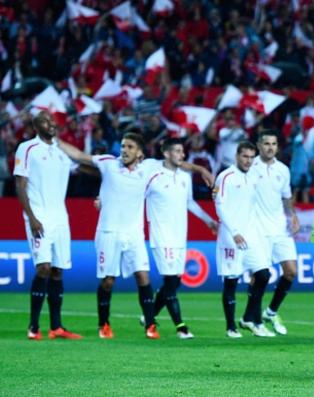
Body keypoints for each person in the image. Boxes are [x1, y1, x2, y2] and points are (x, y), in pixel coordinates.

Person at [57, 132, 213, 339]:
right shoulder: (108, 162)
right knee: (108, 281)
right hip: (108, 232)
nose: (124, 150)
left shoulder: (148, 168)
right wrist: (55, 140)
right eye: (123, 146)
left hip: (134, 233)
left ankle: (150, 325)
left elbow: (176, 162)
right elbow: (79, 156)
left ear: (139, 153)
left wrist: (200, 168)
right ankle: (103, 324)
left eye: (130, 147)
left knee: (143, 276)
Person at [14, 111, 82, 340]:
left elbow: (81, 168)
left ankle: (56, 327)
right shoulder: (28, 148)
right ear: (35, 126)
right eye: (45, 120)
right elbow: (20, 185)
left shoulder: (61, 151)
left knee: (57, 271)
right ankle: (34, 326)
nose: (51, 123)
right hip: (39, 216)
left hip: (61, 218)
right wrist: (31, 217)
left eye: (52, 120)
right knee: (42, 267)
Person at [145, 138, 218, 339]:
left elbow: (190, 202)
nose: (182, 155)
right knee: (170, 282)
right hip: (161, 236)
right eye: (177, 151)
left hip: (179, 237)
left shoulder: (185, 177)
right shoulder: (153, 174)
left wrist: (208, 220)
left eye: (182, 151)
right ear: (167, 153)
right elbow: (134, 196)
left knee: (175, 282)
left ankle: (149, 315)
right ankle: (181, 327)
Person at [214, 141, 275, 338]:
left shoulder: (254, 177)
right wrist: (234, 231)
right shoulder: (225, 177)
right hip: (231, 238)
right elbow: (220, 206)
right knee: (231, 282)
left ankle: (251, 318)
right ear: (237, 156)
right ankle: (231, 326)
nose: (248, 161)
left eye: (251, 157)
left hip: (251, 236)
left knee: (264, 275)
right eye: (245, 156)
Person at [249, 131, 300, 335]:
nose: (270, 147)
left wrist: (293, 215)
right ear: (258, 146)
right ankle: (252, 319)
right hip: (258, 229)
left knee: (291, 271)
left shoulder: (283, 170)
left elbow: (286, 198)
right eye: (266, 143)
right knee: (258, 276)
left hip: (280, 227)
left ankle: (270, 311)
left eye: (274, 143)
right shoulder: (250, 167)